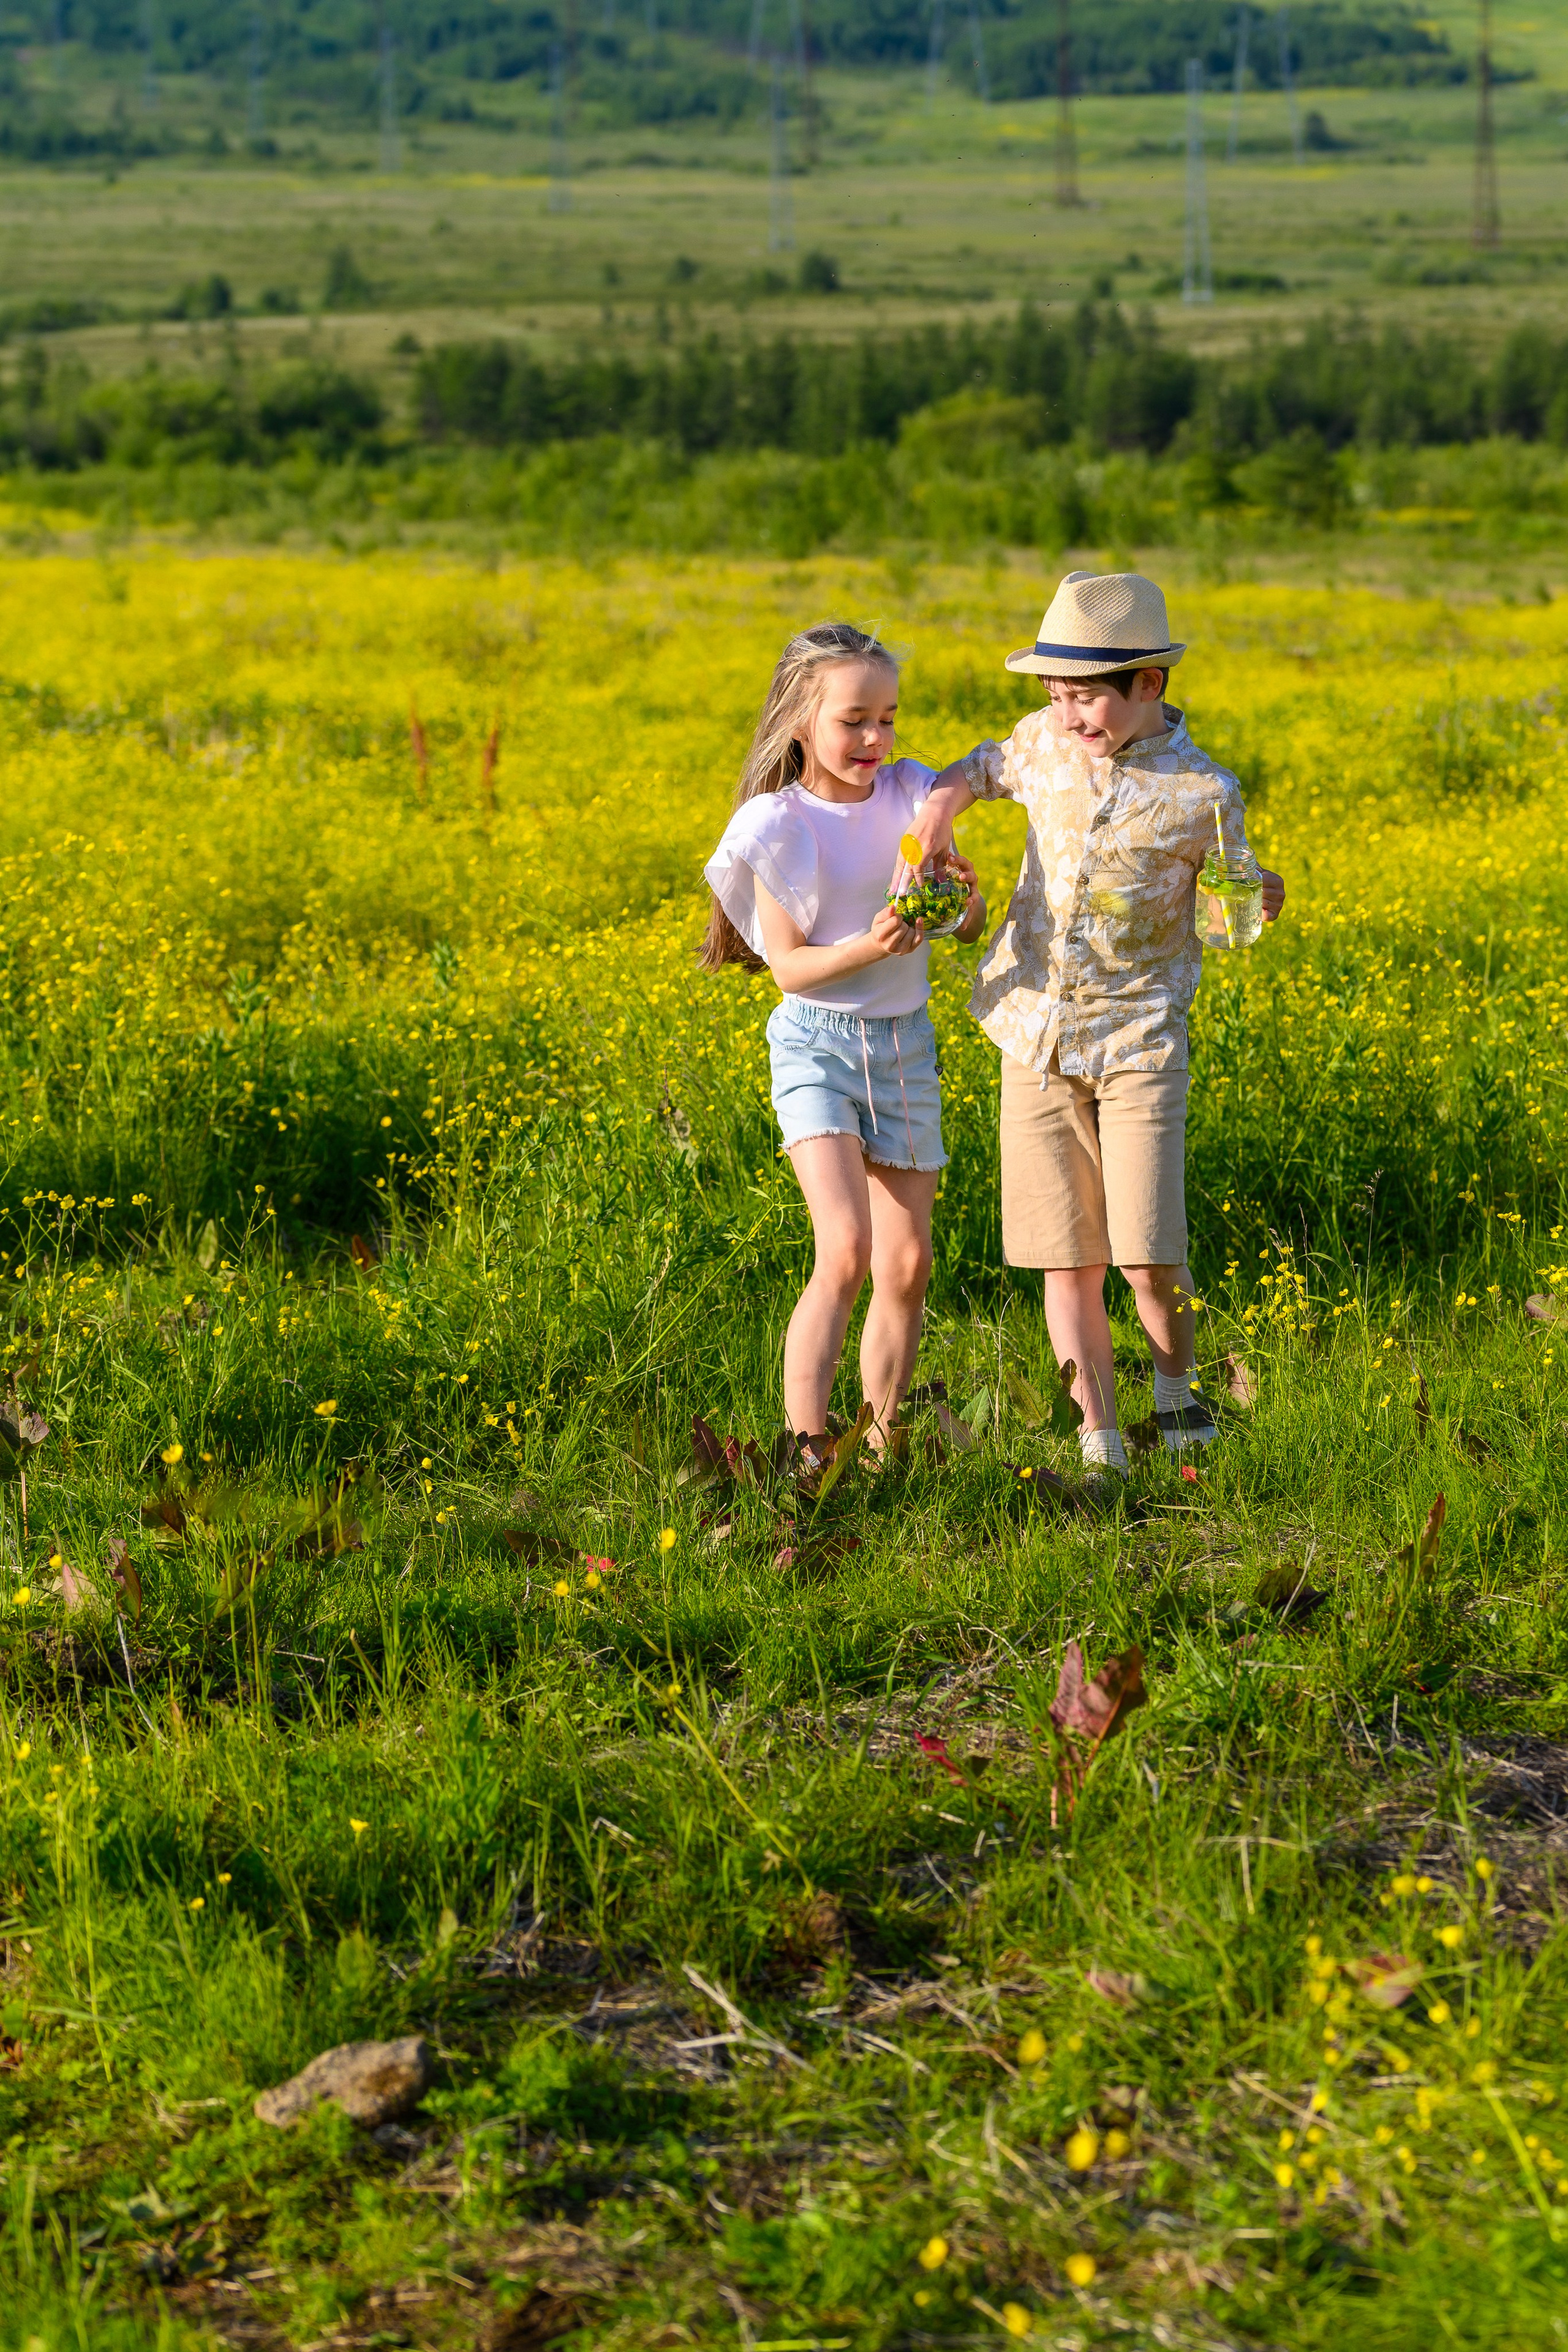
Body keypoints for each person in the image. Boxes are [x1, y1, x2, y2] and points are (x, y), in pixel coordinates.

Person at [903, 571, 1285, 1490]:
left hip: (1140, 1040)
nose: (1067, 714)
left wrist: (1257, 899)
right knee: (1065, 1259)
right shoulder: (1041, 742)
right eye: (1056, 694)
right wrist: (938, 815)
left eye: (1085, 697)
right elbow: (975, 771)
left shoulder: (1205, 792)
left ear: (1148, 684)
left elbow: (1226, 920)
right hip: (1033, 1032)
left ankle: (1178, 1395)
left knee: (1149, 1255)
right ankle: (1099, 1440)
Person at [703, 622, 986, 1449]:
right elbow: (790, 969)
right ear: (800, 722)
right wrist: (872, 944)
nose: (875, 739)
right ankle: (807, 1449)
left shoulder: (912, 795)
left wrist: (960, 904)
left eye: (888, 719)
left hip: (904, 1047)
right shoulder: (779, 823)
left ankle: (881, 1445)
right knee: (848, 1248)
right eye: (854, 720)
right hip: (816, 1047)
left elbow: (967, 923)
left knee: (907, 1264)